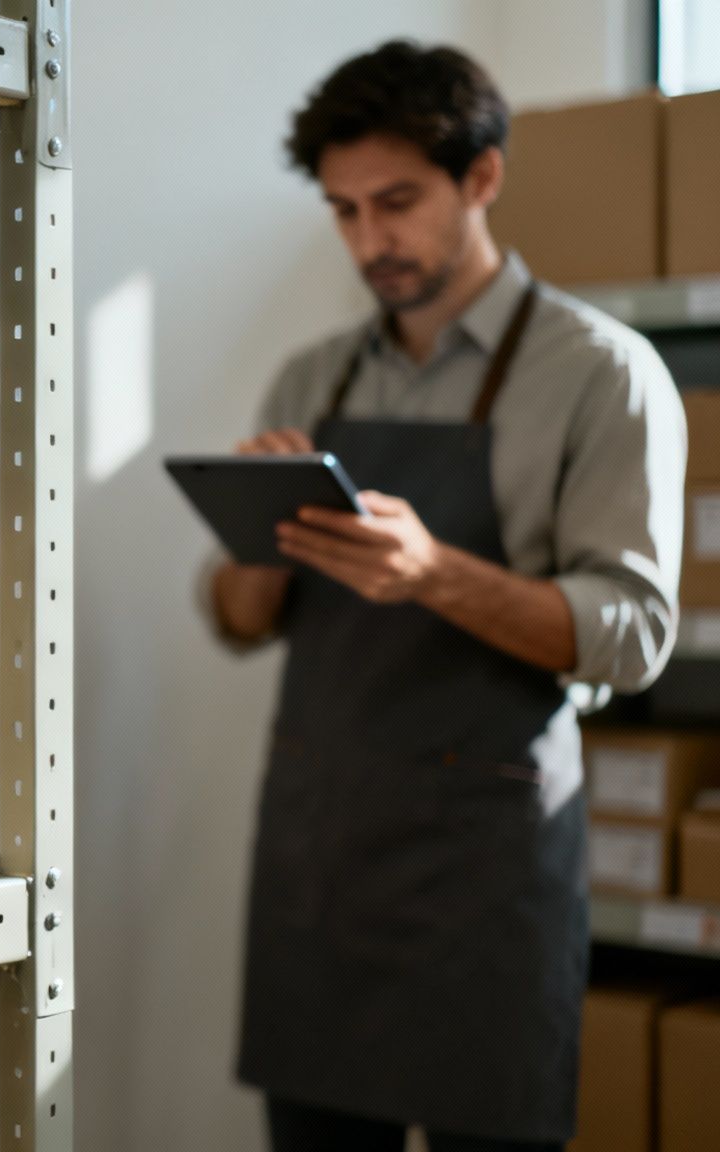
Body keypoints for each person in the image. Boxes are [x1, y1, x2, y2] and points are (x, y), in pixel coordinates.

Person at [206, 41, 686, 1152]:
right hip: (318, 864)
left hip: (486, 873)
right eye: (342, 212)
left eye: (396, 202)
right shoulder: (308, 380)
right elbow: (232, 623)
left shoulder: (599, 375)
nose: (371, 240)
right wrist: (258, 552)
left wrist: (433, 574)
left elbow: (633, 634)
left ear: (481, 178)